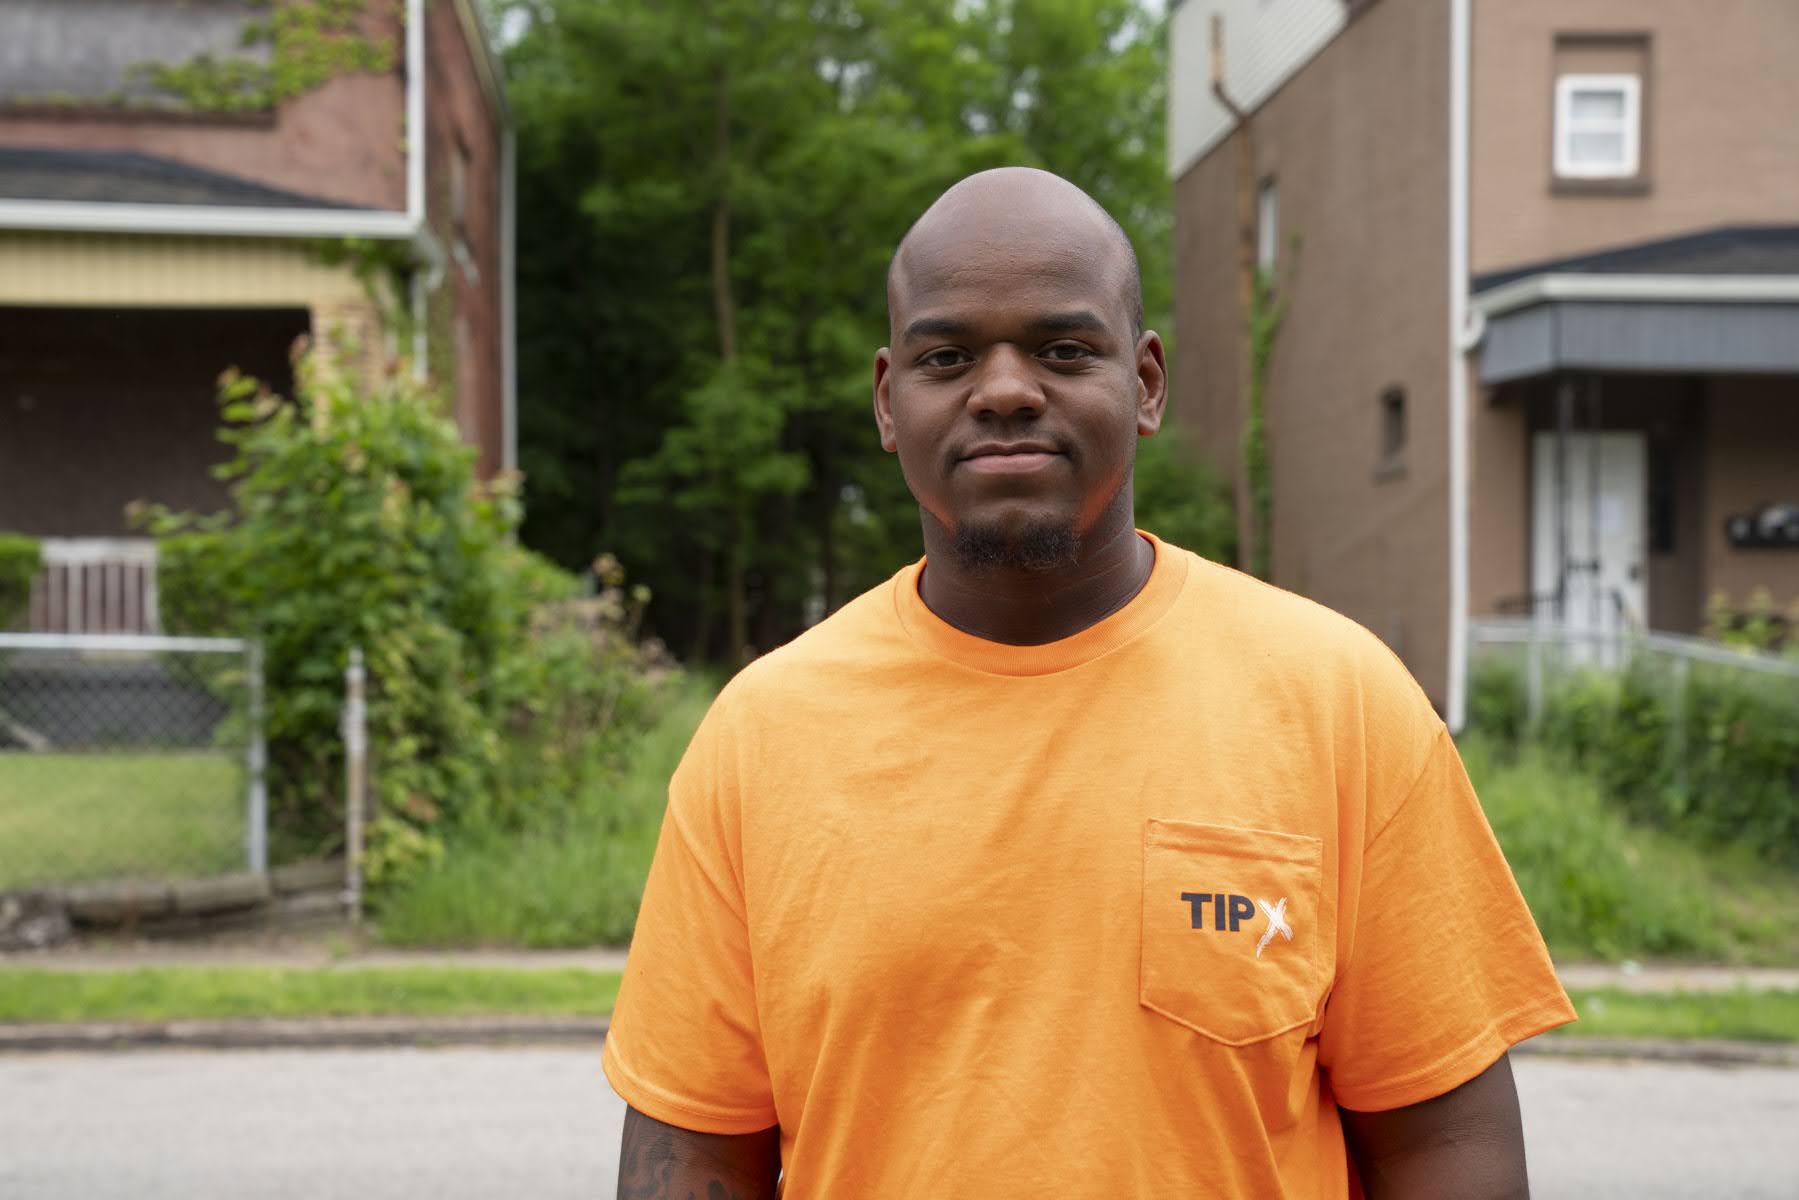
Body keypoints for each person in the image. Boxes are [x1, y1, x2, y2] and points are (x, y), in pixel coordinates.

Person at [603, 167, 1574, 1198]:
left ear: (1145, 383)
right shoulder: (762, 736)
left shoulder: (1339, 705)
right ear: (889, 402)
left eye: (1064, 350)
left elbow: (1441, 1147)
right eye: (948, 356)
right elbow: (695, 1155)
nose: (1007, 388)